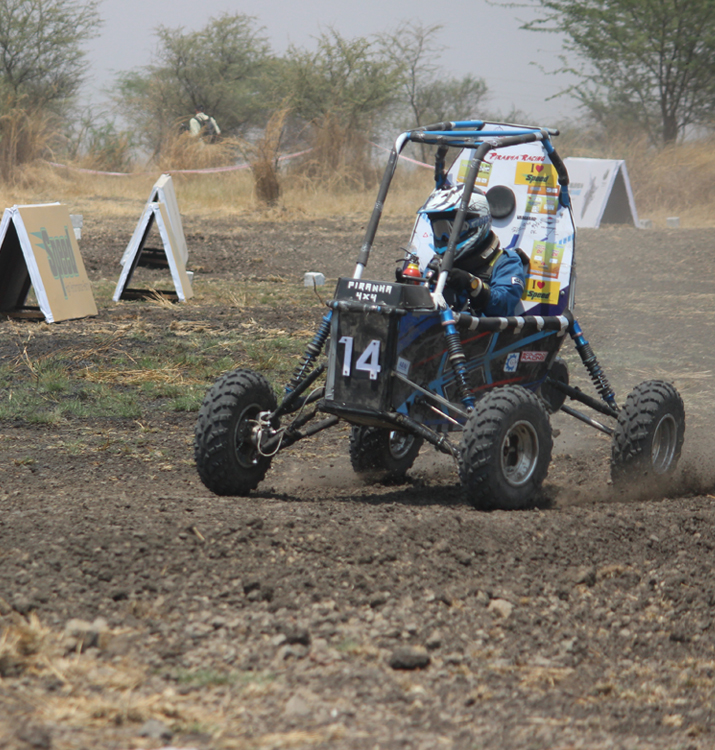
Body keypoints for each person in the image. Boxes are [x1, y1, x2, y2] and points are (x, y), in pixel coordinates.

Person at [417, 184, 527, 317]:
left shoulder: (506, 261)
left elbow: (502, 305)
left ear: (475, 225)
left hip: (483, 334)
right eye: (440, 230)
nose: (445, 238)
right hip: (439, 332)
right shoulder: (439, 263)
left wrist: (471, 283)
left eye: (451, 230)